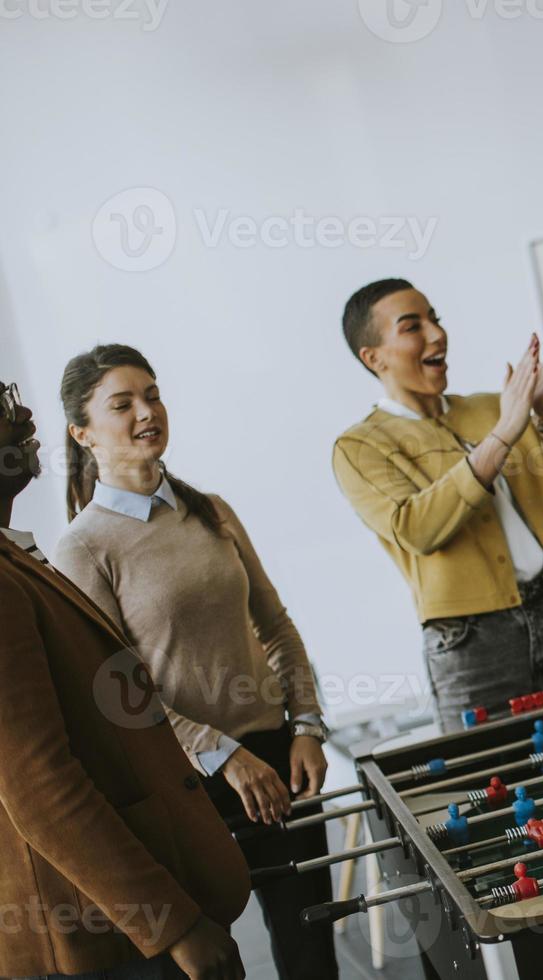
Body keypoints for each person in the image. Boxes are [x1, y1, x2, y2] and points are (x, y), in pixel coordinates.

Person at [50, 346, 338, 980]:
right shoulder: (83, 547)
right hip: (186, 783)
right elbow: (117, 688)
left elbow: (277, 626)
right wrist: (222, 754)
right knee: (215, 964)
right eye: (122, 404)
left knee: (313, 951)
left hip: (280, 760)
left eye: (152, 395)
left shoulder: (212, 509)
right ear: (82, 432)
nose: (146, 412)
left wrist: (309, 729)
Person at [0, 379, 250, 980]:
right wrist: (174, 925)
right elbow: (38, 786)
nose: (24, 414)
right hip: (108, 940)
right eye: (1, 410)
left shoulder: (14, 561)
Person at [332, 278, 543, 731]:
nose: (437, 334)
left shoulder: (493, 406)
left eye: (435, 320)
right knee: (493, 782)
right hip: (473, 642)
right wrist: (503, 434)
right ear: (374, 357)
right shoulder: (360, 447)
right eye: (412, 327)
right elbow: (416, 528)